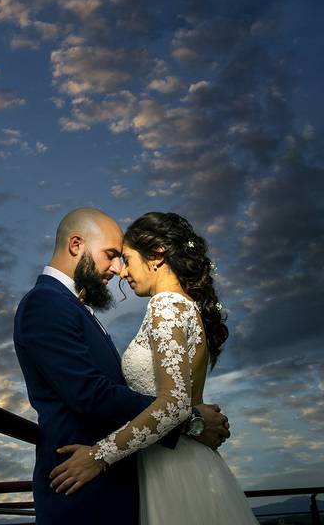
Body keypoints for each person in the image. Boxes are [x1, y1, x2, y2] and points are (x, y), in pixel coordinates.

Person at [13, 208, 229, 525]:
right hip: (82, 487)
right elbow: (90, 394)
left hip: (118, 480)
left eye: (122, 258)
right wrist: (190, 420)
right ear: (76, 245)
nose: (117, 269)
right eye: (111, 255)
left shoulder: (74, 305)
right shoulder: (45, 302)